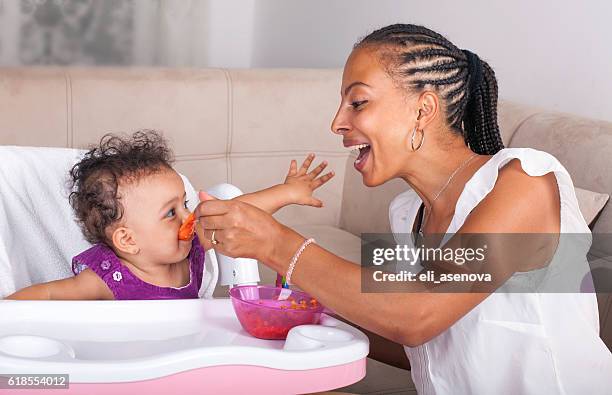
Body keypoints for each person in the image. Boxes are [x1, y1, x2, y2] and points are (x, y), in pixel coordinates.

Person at [193, 24, 612, 394]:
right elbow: (421, 343)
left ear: (423, 109)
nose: (337, 123)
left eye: (357, 102)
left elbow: (418, 314)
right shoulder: (408, 211)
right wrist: (312, 311)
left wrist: (277, 244)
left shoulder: (524, 181)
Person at [6, 130, 333, 300]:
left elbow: (239, 211)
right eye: (170, 213)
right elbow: (48, 292)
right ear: (128, 239)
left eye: (185, 204)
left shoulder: (193, 244)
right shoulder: (108, 278)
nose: (187, 217)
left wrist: (288, 192)